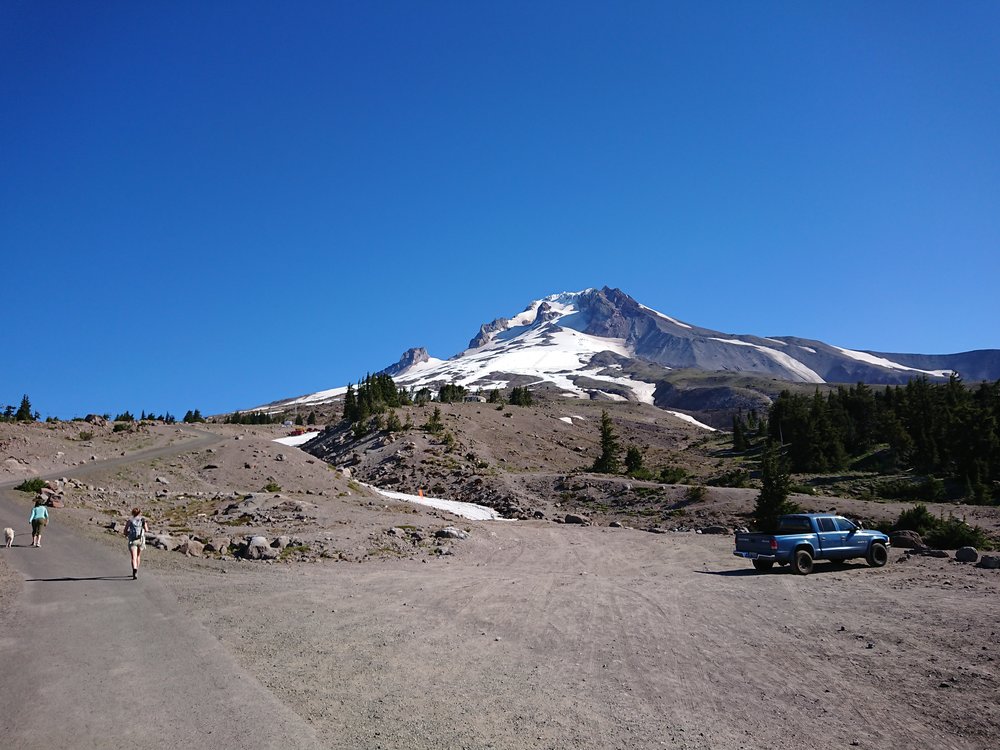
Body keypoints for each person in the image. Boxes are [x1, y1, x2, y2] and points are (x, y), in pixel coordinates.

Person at [124, 507, 148, 579]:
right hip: (140, 540)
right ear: (139, 513)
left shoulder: (130, 521)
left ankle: (134, 570)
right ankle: (137, 569)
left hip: (133, 540)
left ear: (132, 513)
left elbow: (125, 531)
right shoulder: (142, 520)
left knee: (133, 557)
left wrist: (129, 533)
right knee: (138, 556)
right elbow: (146, 530)